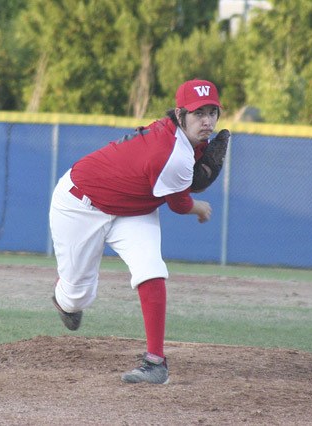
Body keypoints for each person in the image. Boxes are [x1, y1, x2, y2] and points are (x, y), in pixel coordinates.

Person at [49, 79, 229, 384]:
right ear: (179, 114)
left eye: (212, 112)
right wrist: (199, 207)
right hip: (80, 204)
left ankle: (155, 362)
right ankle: (64, 299)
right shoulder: (173, 154)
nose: (207, 121)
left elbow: (180, 172)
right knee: (75, 297)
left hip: (134, 208)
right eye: (199, 113)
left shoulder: (182, 142)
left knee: (151, 270)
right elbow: (179, 204)